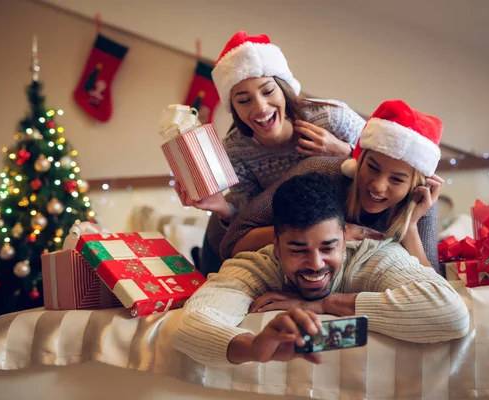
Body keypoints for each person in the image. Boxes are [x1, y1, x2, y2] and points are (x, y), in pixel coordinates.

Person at [172, 173, 469, 366]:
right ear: (276, 247)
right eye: (298, 250)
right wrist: (252, 347)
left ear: (346, 239)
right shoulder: (257, 263)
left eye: (328, 248)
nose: (315, 264)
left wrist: (320, 303)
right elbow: (192, 324)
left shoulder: (375, 255)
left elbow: (450, 313)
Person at [174, 31, 366, 276]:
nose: (260, 107)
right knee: (216, 228)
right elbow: (247, 219)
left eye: (267, 92)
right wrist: (221, 208)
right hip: (280, 230)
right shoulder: (236, 149)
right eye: (244, 100)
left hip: (340, 219)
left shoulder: (331, 118)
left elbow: (380, 165)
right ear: (234, 109)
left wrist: (343, 151)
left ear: (284, 89)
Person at [220, 99, 445, 273]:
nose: (378, 186)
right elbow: (233, 242)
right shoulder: (320, 171)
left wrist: (411, 225)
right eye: (372, 167)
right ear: (359, 158)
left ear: (415, 185)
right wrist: (333, 234)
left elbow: (434, 288)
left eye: (397, 180)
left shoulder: (420, 203)